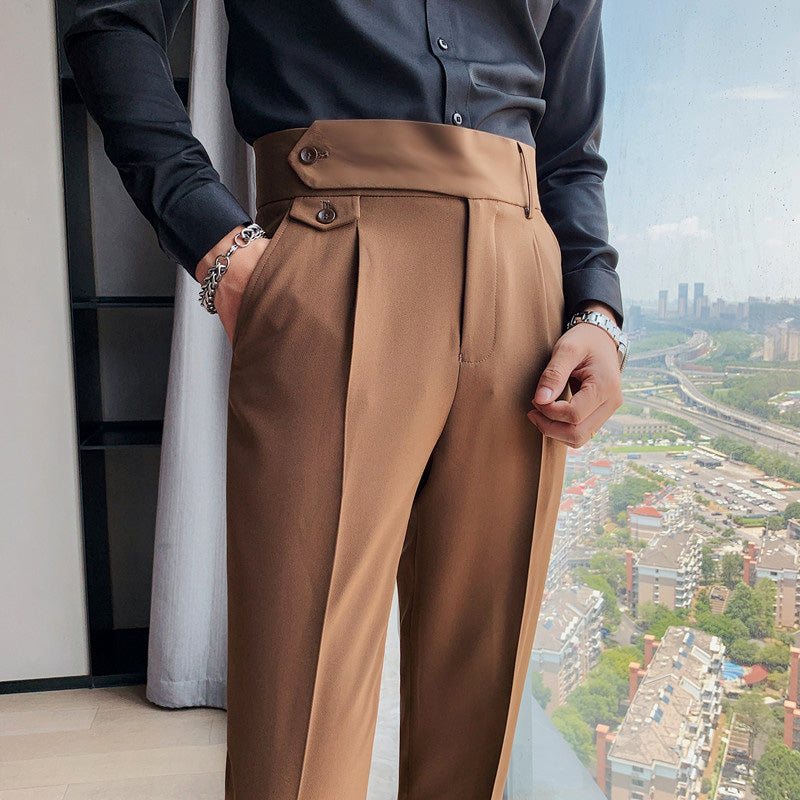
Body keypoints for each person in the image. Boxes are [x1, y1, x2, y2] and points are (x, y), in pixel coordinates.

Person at [63, 1, 626, 798]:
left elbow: (569, 145)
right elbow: (113, 21)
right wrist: (214, 238)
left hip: (526, 292)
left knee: (479, 711)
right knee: (297, 731)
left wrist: (597, 309)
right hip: (332, 251)